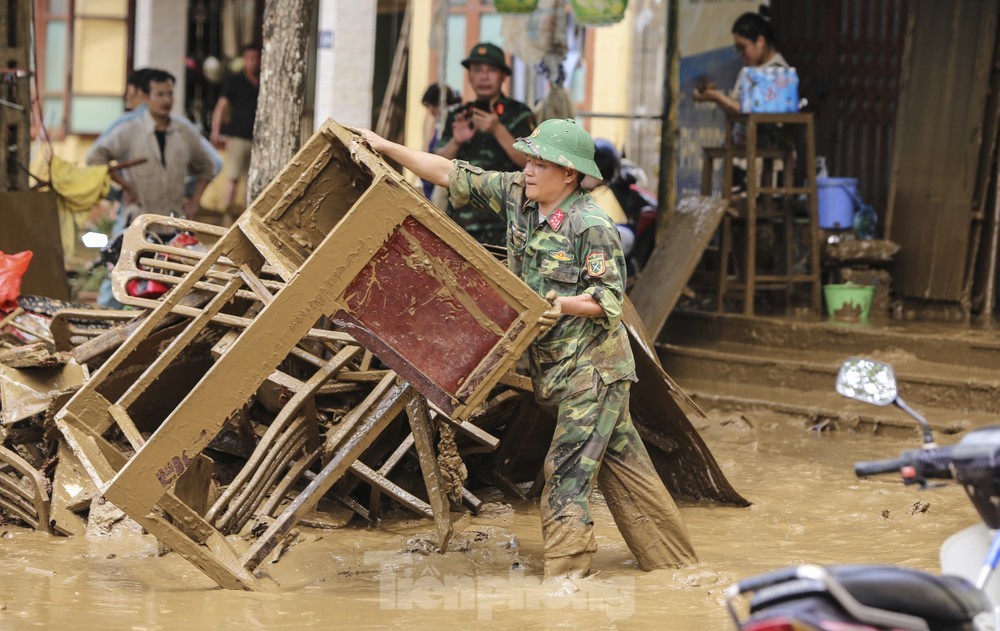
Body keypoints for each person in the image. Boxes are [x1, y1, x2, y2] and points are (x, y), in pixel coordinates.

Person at [361, 119, 697, 585]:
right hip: (557, 370)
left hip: (592, 372)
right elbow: (450, 173)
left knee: (565, 478)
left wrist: (560, 305)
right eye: (530, 159)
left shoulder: (591, 225)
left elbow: (608, 299)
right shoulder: (518, 194)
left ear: (570, 175)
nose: (529, 169)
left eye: (542, 163)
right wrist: (385, 146)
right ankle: (677, 569)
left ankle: (566, 583)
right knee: (625, 465)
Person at [434, 42, 536, 247]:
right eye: (478, 70)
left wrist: (498, 130)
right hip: (460, 225)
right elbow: (437, 164)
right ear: (469, 76)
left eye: (491, 70)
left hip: (506, 225)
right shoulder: (459, 116)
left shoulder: (519, 114)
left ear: (503, 76)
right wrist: (456, 140)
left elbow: (532, 163)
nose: (484, 77)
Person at [692, 6, 788, 114]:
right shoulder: (748, 68)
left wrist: (718, 97)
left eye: (742, 47)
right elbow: (736, 107)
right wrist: (714, 95)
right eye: (737, 49)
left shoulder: (779, 71)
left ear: (760, 41)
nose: (741, 54)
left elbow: (753, 110)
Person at [210, 43, 261, 216]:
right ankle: (227, 213)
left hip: (257, 139)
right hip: (237, 136)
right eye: (250, 58)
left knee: (250, 180)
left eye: (256, 58)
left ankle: (245, 216)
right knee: (232, 177)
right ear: (244, 60)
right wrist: (215, 131)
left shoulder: (264, 81)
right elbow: (221, 106)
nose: (253, 62)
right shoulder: (234, 81)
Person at [419, 83, 461, 200]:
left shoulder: (452, 124)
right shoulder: (439, 124)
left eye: (430, 106)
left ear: (437, 105)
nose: (430, 111)